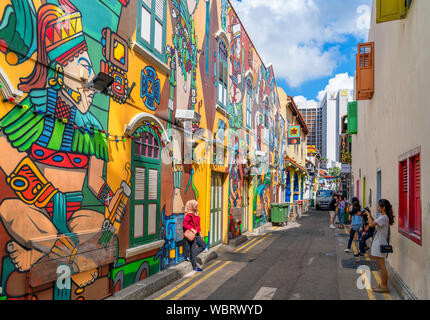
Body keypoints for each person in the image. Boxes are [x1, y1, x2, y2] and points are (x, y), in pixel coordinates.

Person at [365, 199, 394, 293]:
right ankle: (382, 284)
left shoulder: (384, 217)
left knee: (382, 266)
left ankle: (384, 286)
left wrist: (368, 215)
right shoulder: (382, 217)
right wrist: (370, 215)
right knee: (381, 266)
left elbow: (371, 224)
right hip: (379, 243)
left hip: (380, 244)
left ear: (383, 208)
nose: (377, 208)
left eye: (378, 206)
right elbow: (374, 222)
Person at [183, 200, 206, 272]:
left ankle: (191, 256)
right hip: (192, 234)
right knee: (193, 250)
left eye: (197, 206)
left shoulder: (197, 214)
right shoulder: (188, 215)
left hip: (197, 234)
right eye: (195, 206)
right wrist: (192, 229)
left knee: (203, 246)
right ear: (191, 206)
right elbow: (184, 224)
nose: (196, 207)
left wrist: (201, 233)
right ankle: (195, 266)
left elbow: (198, 225)